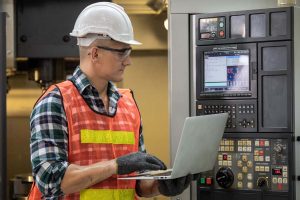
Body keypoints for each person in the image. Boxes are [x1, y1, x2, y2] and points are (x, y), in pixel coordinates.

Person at [29, 2, 194, 199]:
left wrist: (160, 186)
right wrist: (116, 165)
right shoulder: (56, 103)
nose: (128, 60)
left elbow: (137, 183)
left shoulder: (127, 104)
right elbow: (50, 181)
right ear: (95, 53)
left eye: (128, 51)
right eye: (121, 52)